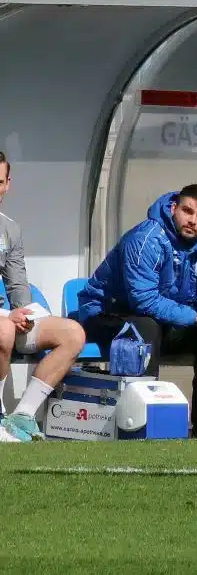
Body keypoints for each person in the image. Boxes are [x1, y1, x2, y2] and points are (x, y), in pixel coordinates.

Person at [72, 185, 197, 438]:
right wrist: (194, 317)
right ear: (173, 208)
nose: (193, 220)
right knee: (145, 327)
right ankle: (141, 423)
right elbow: (143, 299)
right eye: (187, 211)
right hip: (105, 314)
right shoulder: (145, 238)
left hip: (164, 320)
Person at [0, 151, 89, 441]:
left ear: (8, 183)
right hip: (1, 321)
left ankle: (22, 416)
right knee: (3, 330)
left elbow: (17, 284)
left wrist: (25, 313)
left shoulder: (10, 228)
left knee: (73, 333)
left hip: (5, 317)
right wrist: (8, 316)